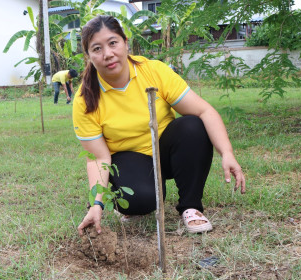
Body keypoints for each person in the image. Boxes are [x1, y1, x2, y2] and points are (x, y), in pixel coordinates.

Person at [73, 15, 246, 235]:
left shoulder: (154, 71)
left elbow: (205, 110)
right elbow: (99, 158)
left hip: (165, 150)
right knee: (144, 200)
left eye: (113, 43)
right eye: (97, 48)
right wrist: (95, 205)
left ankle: (191, 207)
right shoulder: (85, 99)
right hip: (128, 158)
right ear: (88, 56)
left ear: (126, 42)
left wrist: (227, 152)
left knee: (193, 125)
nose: (108, 54)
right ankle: (132, 200)